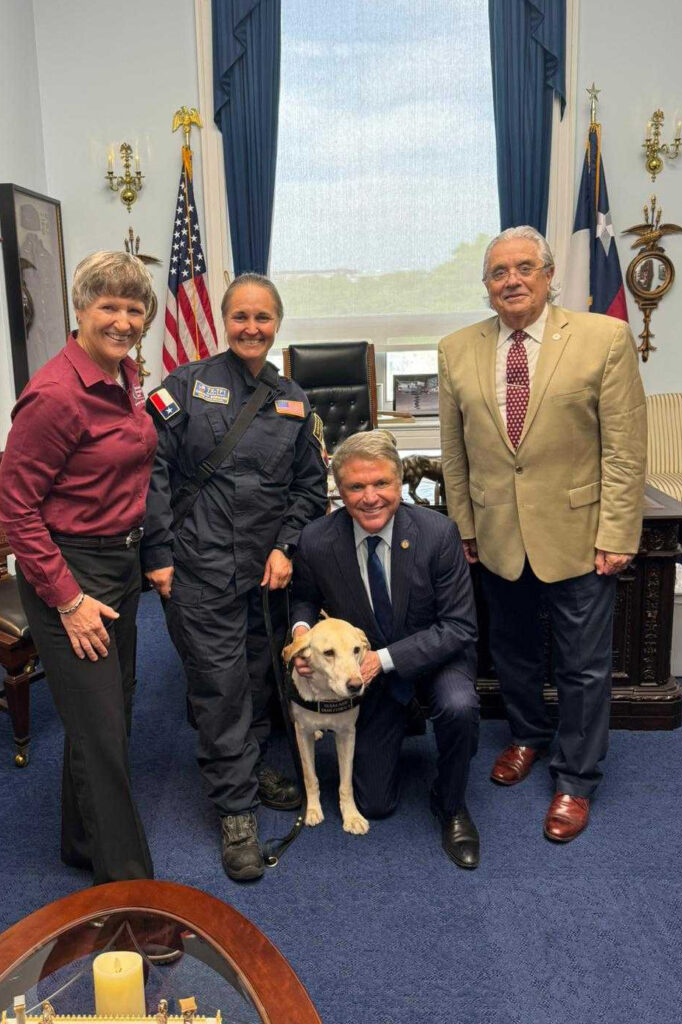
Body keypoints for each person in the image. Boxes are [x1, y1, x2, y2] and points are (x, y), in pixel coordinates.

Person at [438, 225, 647, 842]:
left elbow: (625, 449)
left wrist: (617, 532)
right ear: (486, 286)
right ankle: (528, 736)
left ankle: (576, 779)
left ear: (549, 275)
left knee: (584, 666)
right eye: (499, 272)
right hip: (498, 534)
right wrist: (463, 529)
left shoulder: (603, 338)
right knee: (514, 653)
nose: (513, 281)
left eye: (525, 268)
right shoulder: (456, 349)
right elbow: (455, 455)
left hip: (580, 534)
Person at [142, 272, 327, 882]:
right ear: (225, 322)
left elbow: (308, 488)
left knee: (256, 678)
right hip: (197, 569)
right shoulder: (185, 387)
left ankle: (247, 769)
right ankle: (235, 810)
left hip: (261, 579)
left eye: (263, 318)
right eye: (241, 317)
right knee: (220, 691)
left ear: (277, 325)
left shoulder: (293, 400)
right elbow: (153, 474)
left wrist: (285, 547)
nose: (252, 328)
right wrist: (159, 554)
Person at [0, 250, 156, 883]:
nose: (122, 320)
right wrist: (67, 599)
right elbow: (15, 508)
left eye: (134, 308)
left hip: (120, 565)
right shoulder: (56, 396)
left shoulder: (124, 375)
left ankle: (79, 842)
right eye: (108, 306)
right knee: (104, 738)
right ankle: (129, 895)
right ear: (80, 310)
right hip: (69, 574)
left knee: (107, 714)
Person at [290, 430, 480, 868]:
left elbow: (458, 626)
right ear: (338, 490)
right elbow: (302, 599)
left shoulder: (438, 533)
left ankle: (451, 803)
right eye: (356, 486)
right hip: (362, 676)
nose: (370, 497)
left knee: (458, 706)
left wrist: (385, 659)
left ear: (399, 484)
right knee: (374, 804)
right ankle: (398, 724)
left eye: (382, 484)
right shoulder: (318, 540)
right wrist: (302, 636)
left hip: (434, 658)